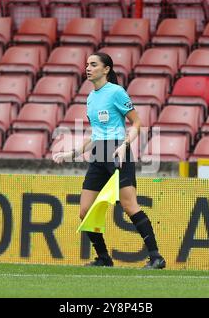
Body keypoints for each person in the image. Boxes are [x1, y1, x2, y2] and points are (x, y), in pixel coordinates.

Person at [53, 52, 166, 269]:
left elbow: (137, 123)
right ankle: (104, 258)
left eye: (93, 64)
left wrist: (124, 146)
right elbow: (95, 134)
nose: (88, 68)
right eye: (87, 64)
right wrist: (71, 154)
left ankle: (155, 257)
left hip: (117, 151)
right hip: (98, 154)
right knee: (85, 211)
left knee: (129, 205)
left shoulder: (116, 92)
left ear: (106, 69)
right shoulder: (90, 97)